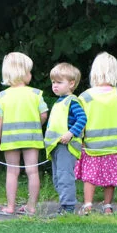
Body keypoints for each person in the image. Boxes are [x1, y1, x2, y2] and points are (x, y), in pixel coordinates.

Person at [0, 52, 48, 216]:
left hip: (10, 139)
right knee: (32, 171)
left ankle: (10, 207)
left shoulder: (3, 96)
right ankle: (31, 207)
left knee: (12, 171)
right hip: (32, 138)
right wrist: (38, 126)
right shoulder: (36, 94)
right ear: (24, 73)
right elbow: (44, 114)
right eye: (29, 71)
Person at [75, 52, 117, 215]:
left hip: (92, 144)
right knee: (110, 177)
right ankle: (107, 206)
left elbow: (81, 120)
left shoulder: (85, 96)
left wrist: (80, 139)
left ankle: (88, 205)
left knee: (90, 177)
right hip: (114, 144)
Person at [44, 63, 87, 215]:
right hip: (56, 146)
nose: (54, 86)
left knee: (64, 177)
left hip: (66, 146)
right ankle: (64, 205)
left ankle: (68, 207)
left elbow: (82, 118)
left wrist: (70, 133)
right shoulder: (59, 102)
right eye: (53, 82)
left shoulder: (72, 101)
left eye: (59, 82)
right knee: (57, 177)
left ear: (71, 83)